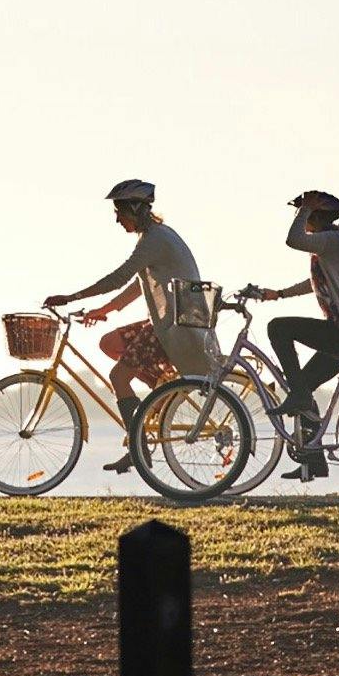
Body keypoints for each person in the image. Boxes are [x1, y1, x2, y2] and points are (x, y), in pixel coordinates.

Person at [44, 180, 222, 471]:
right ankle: (157, 393)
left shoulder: (155, 239)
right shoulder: (155, 238)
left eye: (120, 211)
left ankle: (139, 448)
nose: (116, 219)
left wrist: (71, 297)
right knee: (110, 343)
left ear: (136, 209)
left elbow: (120, 277)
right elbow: (140, 286)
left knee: (118, 377)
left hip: (174, 326)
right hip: (168, 322)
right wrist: (105, 310)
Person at [241, 189, 339, 480]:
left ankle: (299, 397)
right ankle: (315, 461)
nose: (300, 218)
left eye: (305, 214)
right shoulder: (330, 247)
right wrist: (278, 294)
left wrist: (303, 210)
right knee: (300, 385)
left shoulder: (333, 241)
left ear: (316, 215)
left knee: (278, 328)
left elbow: (293, 240)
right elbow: (315, 281)